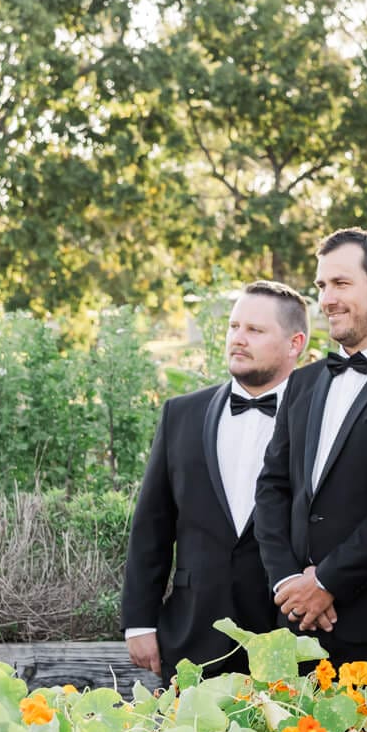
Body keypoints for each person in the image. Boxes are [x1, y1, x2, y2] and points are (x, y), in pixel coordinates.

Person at [255, 228, 367, 716]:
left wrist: (328, 580)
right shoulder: (303, 383)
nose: (326, 299)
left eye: (340, 284)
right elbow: (273, 488)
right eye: (321, 286)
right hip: (299, 628)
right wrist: (289, 584)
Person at [123, 282, 308, 680]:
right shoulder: (181, 414)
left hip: (286, 635)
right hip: (193, 632)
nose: (238, 339)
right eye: (233, 326)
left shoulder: (321, 417)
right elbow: (151, 525)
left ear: (295, 343)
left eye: (255, 330)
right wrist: (139, 622)